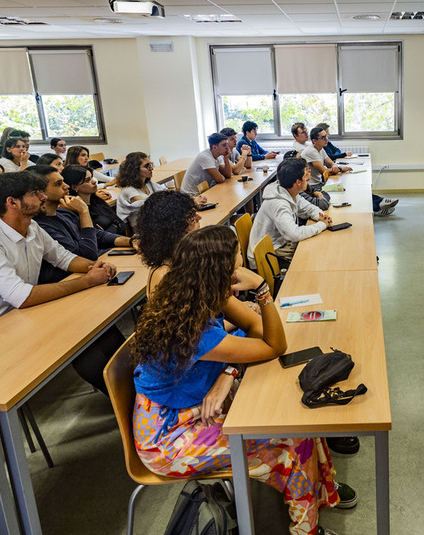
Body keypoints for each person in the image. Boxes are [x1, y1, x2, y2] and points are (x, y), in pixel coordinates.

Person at [132, 226, 353, 535]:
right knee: (290, 445)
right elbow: (275, 344)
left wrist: (229, 370)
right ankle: (307, 530)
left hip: (193, 407)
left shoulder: (194, 291)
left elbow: (255, 326)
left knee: (298, 424)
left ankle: (320, 492)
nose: (241, 271)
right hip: (168, 437)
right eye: (237, 266)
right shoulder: (194, 330)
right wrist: (262, 289)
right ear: (219, 273)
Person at [0, 171, 121, 394]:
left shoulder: (32, 228)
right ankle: (126, 402)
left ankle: (139, 394)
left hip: (24, 318)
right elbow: (22, 296)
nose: (43, 197)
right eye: (35, 194)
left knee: (99, 327)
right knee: (80, 341)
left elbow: (63, 258)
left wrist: (93, 266)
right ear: (12, 202)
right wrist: (87, 281)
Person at [28, 164, 132, 283]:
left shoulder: (63, 213)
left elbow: (98, 235)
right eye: (58, 184)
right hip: (71, 281)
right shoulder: (41, 226)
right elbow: (86, 255)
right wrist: (84, 211)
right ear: (39, 193)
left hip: (88, 271)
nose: (66, 186)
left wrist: (130, 241)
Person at [247, 157, 332, 270]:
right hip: (267, 255)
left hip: (280, 244)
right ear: (298, 182)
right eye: (305, 177)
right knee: (313, 258)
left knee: (317, 248)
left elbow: (309, 208)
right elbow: (294, 234)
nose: (307, 178)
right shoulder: (279, 204)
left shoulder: (289, 191)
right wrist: (322, 225)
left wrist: (321, 216)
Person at [316, 123, 398, 215]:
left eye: (326, 135)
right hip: (322, 184)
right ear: (315, 140)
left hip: (329, 177)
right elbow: (327, 167)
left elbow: (334, 156)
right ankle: (378, 206)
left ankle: (380, 203)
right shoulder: (313, 151)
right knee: (352, 191)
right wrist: (338, 166)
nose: (327, 137)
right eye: (324, 136)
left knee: (357, 190)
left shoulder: (322, 149)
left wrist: (337, 167)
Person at [134, 190, 201, 290]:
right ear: (176, 225)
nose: (199, 217)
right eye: (191, 216)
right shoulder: (165, 275)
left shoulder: (182, 258)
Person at [63, 165, 126, 235]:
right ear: (74, 187)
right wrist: (115, 226)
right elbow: (99, 237)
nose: (94, 181)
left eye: (91, 177)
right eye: (87, 180)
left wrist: (113, 227)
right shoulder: (77, 211)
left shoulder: (96, 200)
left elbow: (120, 223)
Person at [115, 151, 167, 227]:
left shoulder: (148, 184)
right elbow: (148, 205)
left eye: (151, 164)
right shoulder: (128, 190)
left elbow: (166, 193)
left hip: (154, 224)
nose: (151, 168)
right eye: (147, 166)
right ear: (135, 170)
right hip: (143, 230)